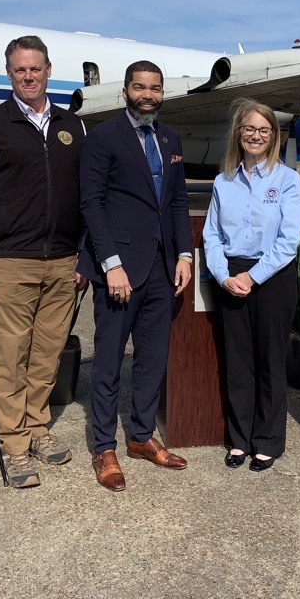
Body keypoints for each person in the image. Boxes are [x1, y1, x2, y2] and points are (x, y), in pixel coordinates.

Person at [0, 35, 87, 489]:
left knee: (47, 355)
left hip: (63, 262)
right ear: (9, 75)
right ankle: (13, 445)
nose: (28, 76)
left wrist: (83, 255)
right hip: (9, 261)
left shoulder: (74, 126)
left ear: (50, 69)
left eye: (35, 68)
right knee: (11, 357)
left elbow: (85, 198)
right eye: (19, 70)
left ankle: (37, 428)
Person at [78, 60, 192, 492]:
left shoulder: (170, 138)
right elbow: (91, 204)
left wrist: (184, 254)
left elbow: (177, 200)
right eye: (140, 87)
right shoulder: (104, 137)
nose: (148, 94)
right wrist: (110, 265)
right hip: (119, 272)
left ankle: (142, 436)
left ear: (163, 93)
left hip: (163, 269)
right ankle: (104, 446)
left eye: (155, 88)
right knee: (108, 361)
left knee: (152, 359)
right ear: (124, 91)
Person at [202, 100, 300, 472]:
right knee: (238, 364)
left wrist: (252, 276)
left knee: (270, 364)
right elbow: (212, 235)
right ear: (238, 134)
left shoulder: (287, 179)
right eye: (249, 129)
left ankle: (268, 441)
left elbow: (289, 240)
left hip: (271, 278)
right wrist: (222, 274)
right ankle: (240, 439)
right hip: (230, 277)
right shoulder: (222, 181)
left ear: (273, 136)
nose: (256, 136)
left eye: (264, 130)